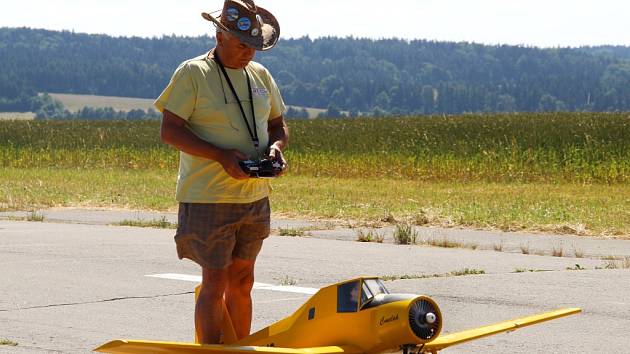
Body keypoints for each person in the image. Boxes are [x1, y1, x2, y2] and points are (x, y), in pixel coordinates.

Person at [155, 0, 288, 345]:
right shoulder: (193, 73)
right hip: (208, 198)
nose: (249, 54)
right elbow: (170, 131)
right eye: (243, 45)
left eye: (256, 47)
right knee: (214, 282)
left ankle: (239, 349)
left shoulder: (260, 76)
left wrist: (275, 150)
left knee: (243, 280)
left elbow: (278, 125)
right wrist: (220, 156)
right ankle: (211, 351)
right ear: (220, 36)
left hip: (254, 197)